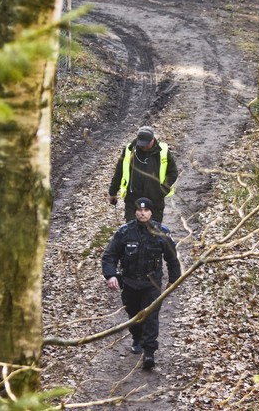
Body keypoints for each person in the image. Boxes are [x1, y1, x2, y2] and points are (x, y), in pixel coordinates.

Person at [102, 197, 182, 370]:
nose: (142, 213)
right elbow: (110, 256)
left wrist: (174, 280)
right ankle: (137, 337)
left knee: (151, 317)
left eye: (146, 210)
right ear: (135, 212)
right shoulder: (124, 232)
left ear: (151, 212)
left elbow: (172, 259)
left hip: (151, 284)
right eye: (139, 210)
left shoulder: (161, 232)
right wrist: (110, 275)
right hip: (130, 283)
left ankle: (149, 352)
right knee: (134, 315)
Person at [108, 126, 178, 223]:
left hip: (155, 200)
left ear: (152, 140)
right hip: (133, 200)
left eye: (146, 144)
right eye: (141, 144)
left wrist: (162, 189)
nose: (143, 147)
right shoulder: (129, 150)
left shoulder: (163, 151)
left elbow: (173, 173)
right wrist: (113, 192)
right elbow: (119, 171)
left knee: (154, 233)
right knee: (132, 232)